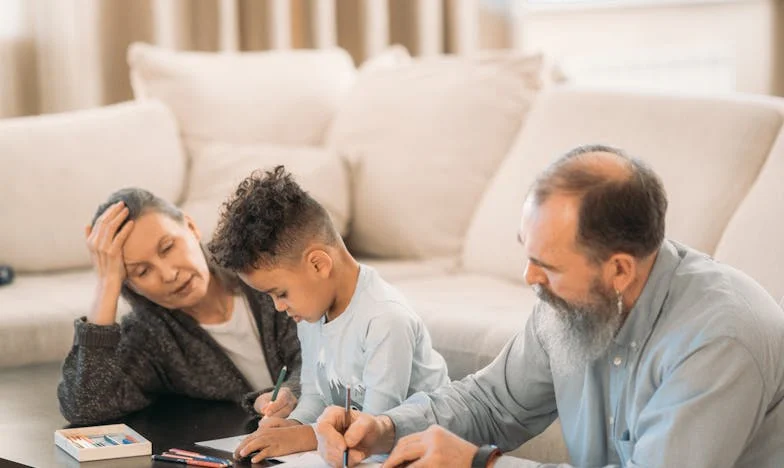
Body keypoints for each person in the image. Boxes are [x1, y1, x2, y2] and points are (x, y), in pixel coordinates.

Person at [314, 144, 784, 468]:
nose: (529, 278)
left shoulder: (720, 339)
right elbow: (492, 403)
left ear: (619, 270)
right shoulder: (572, 303)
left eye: (548, 265)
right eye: (527, 254)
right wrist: (384, 427)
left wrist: (482, 463)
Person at [207, 166, 450, 464]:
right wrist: (292, 425)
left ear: (319, 265)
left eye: (280, 293)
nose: (279, 307)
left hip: (425, 453)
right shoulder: (312, 316)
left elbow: (377, 427)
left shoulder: (386, 319)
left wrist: (301, 437)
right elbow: (316, 397)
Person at [57, 188, 302, 425]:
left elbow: (322, 354)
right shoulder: (150, 335)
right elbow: (86, 406)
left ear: (191, 227)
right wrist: (106, 284)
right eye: (142, 271)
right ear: (130, 285)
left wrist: (292, 392)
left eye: (168, 247)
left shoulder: (261, 271)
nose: (168, 274)